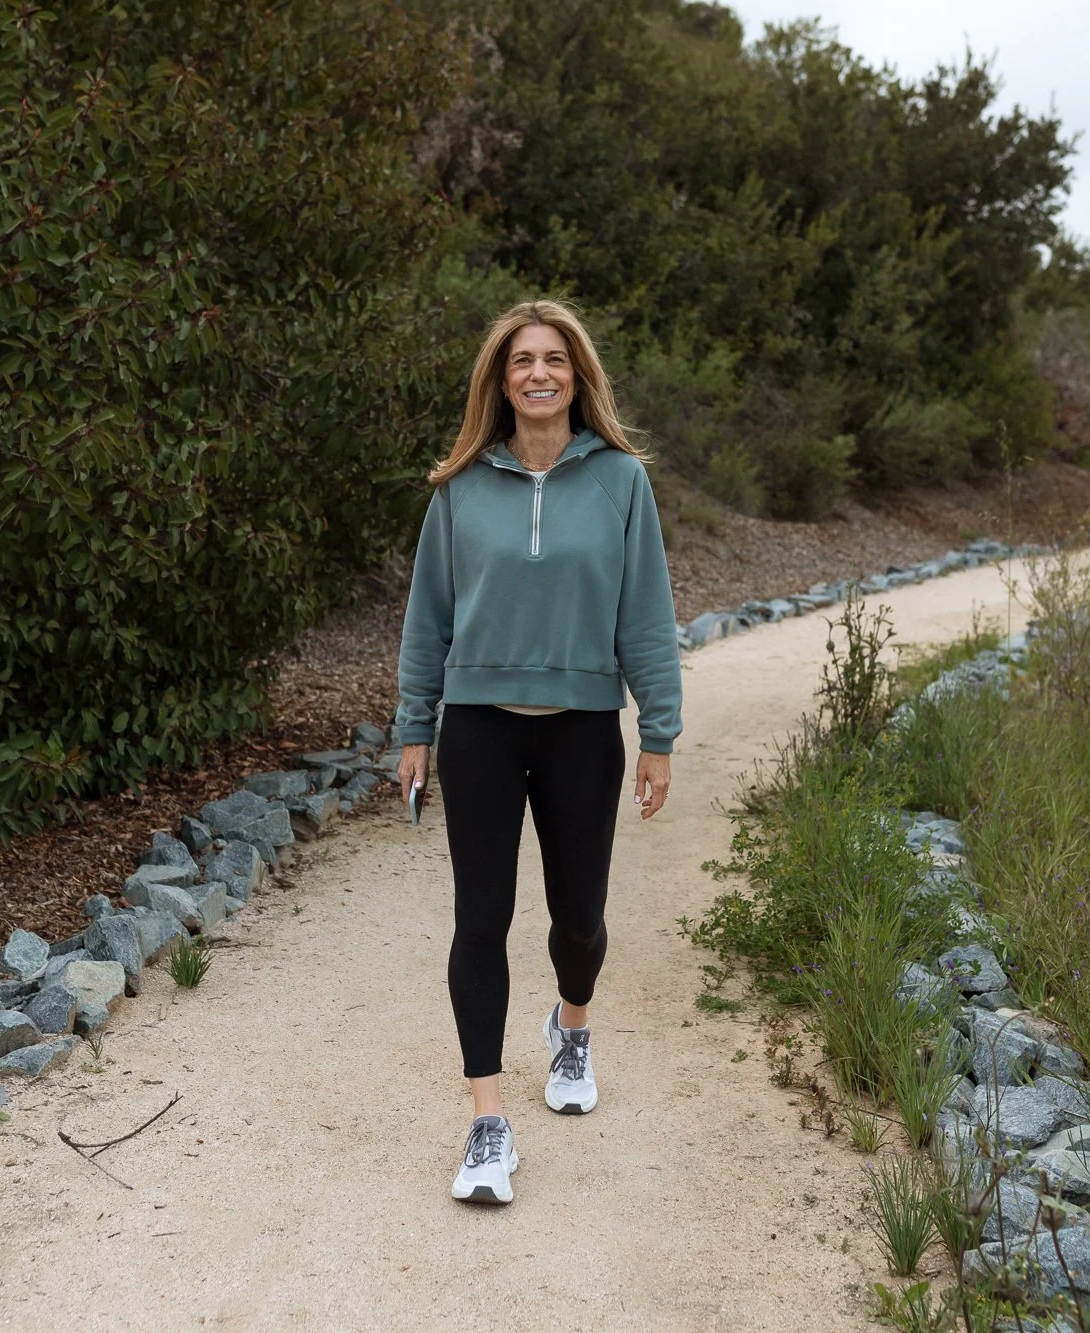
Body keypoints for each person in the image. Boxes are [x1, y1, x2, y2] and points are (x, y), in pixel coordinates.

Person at [394, 299, 682, 1205]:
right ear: (500, 378)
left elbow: (647, 612)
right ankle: (487, 1123)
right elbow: (427, 616)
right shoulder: (459, 486)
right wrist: (413, 725)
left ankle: (573, 1023)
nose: (538, 373)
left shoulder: (620, 482)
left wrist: (658, 731)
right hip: (478, 723)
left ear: (577, 374)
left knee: (578, 917)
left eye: (554, 357)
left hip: (582, 729)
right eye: (521, 359)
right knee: (479, 921)